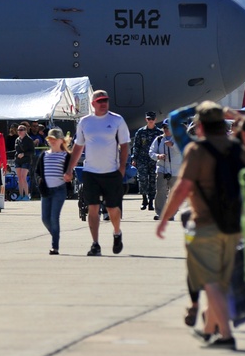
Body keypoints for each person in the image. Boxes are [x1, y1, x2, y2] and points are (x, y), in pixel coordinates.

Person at [156, 101, 245, 349]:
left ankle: (226, 335)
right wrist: (231, 114)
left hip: (205, 223)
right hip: (234, 225)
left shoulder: (196, 150)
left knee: (210, 281)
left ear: (199, 128)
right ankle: (209, 329)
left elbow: (183, 187)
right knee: (222, 282)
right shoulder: (238, 148)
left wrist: (164, 218)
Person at [65, 90, 130, 256]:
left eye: (106, 101)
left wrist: (122, 167)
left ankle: (117, 232)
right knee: (92, 208)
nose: (103, 104)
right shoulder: (85, 122)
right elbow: (79, 146)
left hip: (111, 172)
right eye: (100, 101)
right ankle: (95, 244)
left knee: (112, 208)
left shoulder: (117, 120)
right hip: (91, 172)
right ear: (93, 104)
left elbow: (124, 145)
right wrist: (70, 168)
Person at [36, 128, 70, 254]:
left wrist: (68, 177)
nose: (52, 142)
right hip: (46, 190)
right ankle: (55, 235)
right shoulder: (44, 155)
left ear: (61, 140)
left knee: (54, 217)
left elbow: (69, 172)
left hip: (59, 190)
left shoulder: (66, 155)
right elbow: (37, 172)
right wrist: (39, 180)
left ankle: (55, 246)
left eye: (54, 140)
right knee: (45, 218)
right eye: (50, 139)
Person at [131, 111, 163, 211]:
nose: (150, 121)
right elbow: (136, 146)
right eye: (149, 119)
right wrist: (134, 158)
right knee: (142, 180)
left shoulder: (159, 133)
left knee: (153, 180)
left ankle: (151, 201)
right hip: (142, 159)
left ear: (155, 120)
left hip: (153, 160)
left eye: (152, 119)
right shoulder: (140, 132)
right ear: (146, 120)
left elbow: (161, 147)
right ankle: (144, 199)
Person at [149, 121, 177, 221]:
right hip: (162, 169)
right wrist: (158, 156)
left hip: (175, 171)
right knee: (160, 191)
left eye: (168, 127)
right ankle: (160, 213)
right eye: (164, 127)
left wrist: (172, 145)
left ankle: (171, 214)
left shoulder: (178, 139)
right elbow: (151, 152)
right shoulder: (159, 139)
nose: (166, 129)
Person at [13, 124, 36, 200]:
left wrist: (24, 154)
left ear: (25, 131)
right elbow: (16, 150)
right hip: (18, 160)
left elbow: (32, 151)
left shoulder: (29, 140)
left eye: (21, 130)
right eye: (18, 130)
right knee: (19, 178)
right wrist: (17, 155)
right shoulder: (17, 140)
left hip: (26, 160)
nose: (19, 131)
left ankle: (26, 195)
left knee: (23, 177)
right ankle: (20, 195)